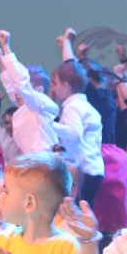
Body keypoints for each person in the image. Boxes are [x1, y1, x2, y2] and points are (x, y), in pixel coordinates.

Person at [49, 60, 104, 206]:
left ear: (66, 86)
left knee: (76, 210)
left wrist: (49, 124)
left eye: (55, 83)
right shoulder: (86, 106)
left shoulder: (72, 107)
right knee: (85, 208)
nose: (53, 88)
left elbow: (74, 134)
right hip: (93, 169)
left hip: (82, 170)